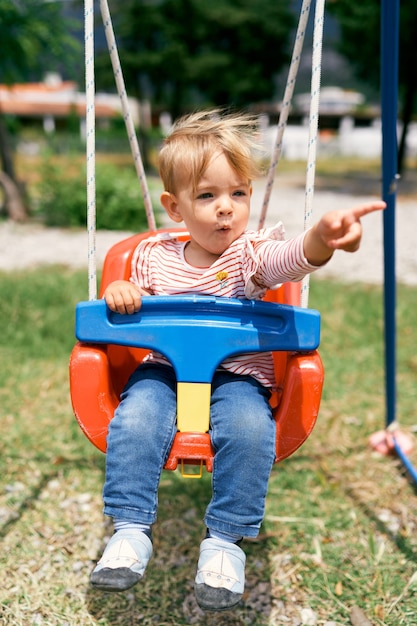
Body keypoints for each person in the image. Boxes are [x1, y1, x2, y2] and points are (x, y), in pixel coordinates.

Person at [90, 109, 385, 611]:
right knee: (135, 417)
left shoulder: (249, 255)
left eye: (238, 193)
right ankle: (130, 529)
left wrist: (324, 238)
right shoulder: (153, 255)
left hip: (238, 379)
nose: (226, 209)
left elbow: (290, 258)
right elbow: (132, 295)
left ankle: (225, 541)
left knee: (251, 430)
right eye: (207, 196)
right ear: (175, 207)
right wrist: (121, 289)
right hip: (163, 372)